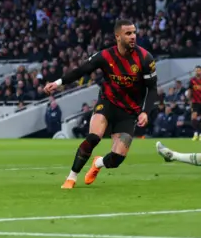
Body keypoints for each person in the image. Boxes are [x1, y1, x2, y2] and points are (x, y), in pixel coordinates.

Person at [44, 19, 158, 189]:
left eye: (134, 32)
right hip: (107, 103)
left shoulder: (145, 58)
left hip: (129, 111)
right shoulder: (105, 56)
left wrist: (145, 112)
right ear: (118, 36)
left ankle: (98, 164)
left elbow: (152, 88)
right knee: (93, 137)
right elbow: (81, 70)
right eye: (128, 33)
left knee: (116, 159)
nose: (133, 36)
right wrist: (58, 82)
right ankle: (71, 177)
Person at [188, 66, 201, 141]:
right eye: (196, 70)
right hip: (195, 102)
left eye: (199, 70)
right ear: (195, 71)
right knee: (194, 117)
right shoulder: (192, 80)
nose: (198, 71)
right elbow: (190, 90)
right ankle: (195, 133)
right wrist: (189, 100)